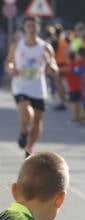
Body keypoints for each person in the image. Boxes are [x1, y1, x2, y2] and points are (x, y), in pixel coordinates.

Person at [5, 17, 58, 156]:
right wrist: (11, 69)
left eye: (34, 26)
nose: (31, 28)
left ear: (38, 28)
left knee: (37, 121)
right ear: (24, 28)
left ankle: (29, 147)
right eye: (29, 26)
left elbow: (54, 69)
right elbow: (8, 62)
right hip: (20, 86)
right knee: (27, 112)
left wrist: (49, 63)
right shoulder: (17, 45)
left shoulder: (45, 47)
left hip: (38, 88)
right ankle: (23, 131)